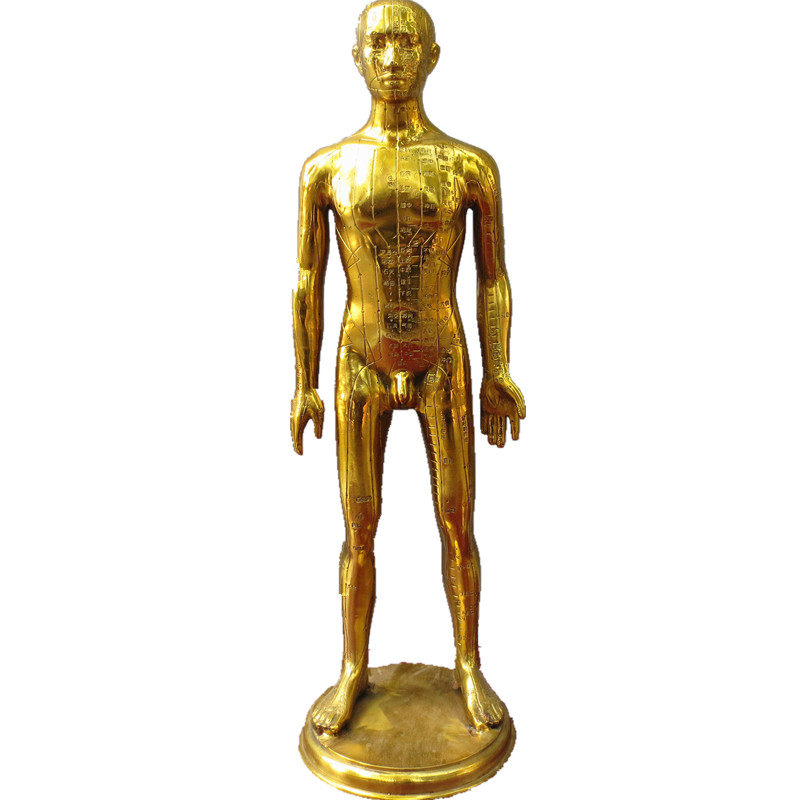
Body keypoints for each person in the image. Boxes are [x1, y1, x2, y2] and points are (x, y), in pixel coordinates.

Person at [291, 0, 526, 734]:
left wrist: (498, 369)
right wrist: (302, 382)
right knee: (359, 527)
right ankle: (352, 669)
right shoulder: (327, 169)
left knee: (457, 520)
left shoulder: (467, 166)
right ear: (356, 56)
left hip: (441, 359)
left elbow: (493, 276)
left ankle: (469, 666)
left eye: (407, 42)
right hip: (359, 359)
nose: (393, 58)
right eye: (379, 43)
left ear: (432, 56)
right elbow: (307, 281)